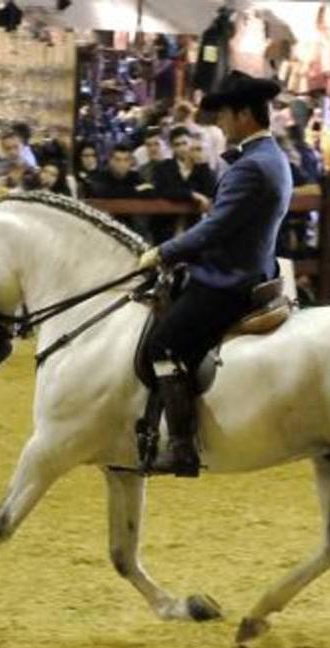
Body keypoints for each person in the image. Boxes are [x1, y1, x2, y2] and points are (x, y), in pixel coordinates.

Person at [136, 71, 292, 477]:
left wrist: (163, 251)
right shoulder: (271, 157)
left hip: (229, 281)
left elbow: (215, 228)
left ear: (243, 115)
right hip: (252, 269)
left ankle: (182, 446)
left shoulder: (251, 167)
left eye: (223, 114)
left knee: (162, 344)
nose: (218, 122)